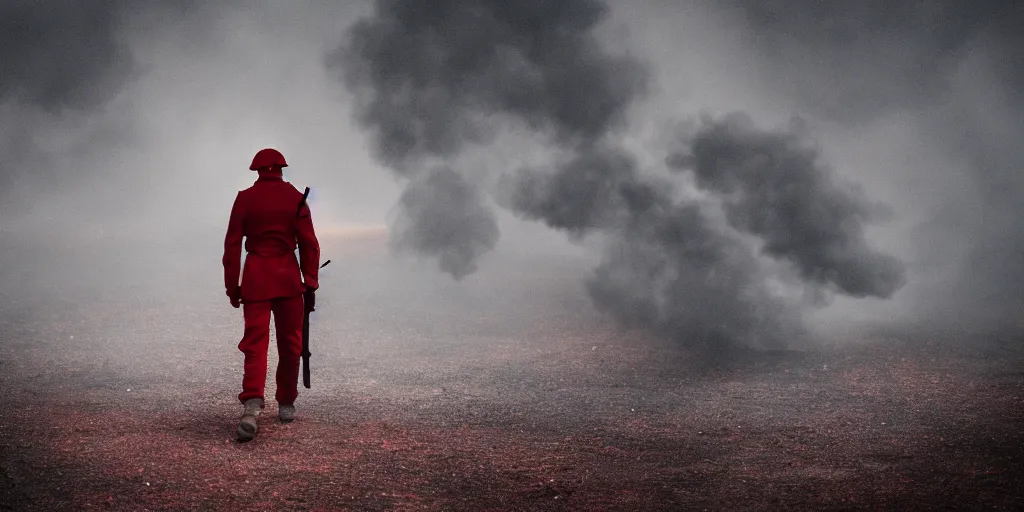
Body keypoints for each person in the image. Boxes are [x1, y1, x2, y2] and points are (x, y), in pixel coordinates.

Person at [222, 148, 320, 442]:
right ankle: (286, 401)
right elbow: (308, 244)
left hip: (255, 279)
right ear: (281, 168)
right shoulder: (295, 198)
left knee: (255, 344)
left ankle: (252, 403)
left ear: (257, 170)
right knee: (291, 344)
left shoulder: (244, 198)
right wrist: (310, 279)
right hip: (289, 279)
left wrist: (232, 286)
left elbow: (231, 248)